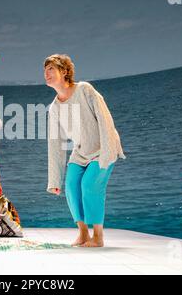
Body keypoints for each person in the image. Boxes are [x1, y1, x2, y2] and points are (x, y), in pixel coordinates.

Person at [44, 54, 125, 247]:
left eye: (51, 69)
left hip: (104, 147)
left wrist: (106, 154)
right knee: (71, 187)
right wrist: (54, 180)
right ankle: (83, 233)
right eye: (45, 70)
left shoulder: (84, 89)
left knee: (89, 185)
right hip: (81, 152)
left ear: (64, 71)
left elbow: (105, 120)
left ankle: (98, 236)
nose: (46, 74)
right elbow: (55, 144)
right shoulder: (54, 108)